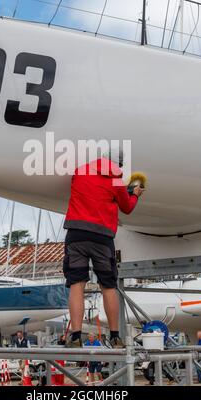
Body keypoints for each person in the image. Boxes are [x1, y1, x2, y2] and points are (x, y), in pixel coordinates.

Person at [63, 148, 144, 348]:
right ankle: (115, 337)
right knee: (108, 286)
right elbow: (126, 208)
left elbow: (88, 189)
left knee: (76, 284)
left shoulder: (80, 171)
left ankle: (75, 337)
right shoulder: (116, 181)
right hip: (102, 237)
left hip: (76, 233)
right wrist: (134, 195)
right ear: (118, 165)